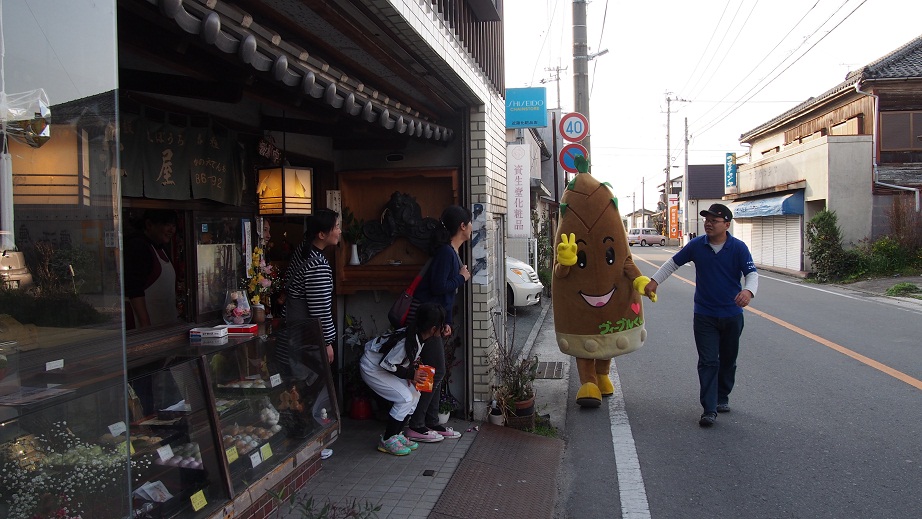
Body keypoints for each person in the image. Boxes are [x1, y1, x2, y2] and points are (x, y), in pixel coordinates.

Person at [643, 203, 759, 428]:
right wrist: (654, 281)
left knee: (728, 360)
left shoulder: (738, 248)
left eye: (714, 220)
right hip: (705, 314)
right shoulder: (697, 245)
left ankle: (722, 396)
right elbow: (672, 264)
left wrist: (748, 291)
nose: (708, 223)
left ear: (726, 224)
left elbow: (751, 273)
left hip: (732, 315)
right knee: (707, 361)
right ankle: (709, 408)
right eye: (706, 219)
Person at [404, 205, 472, 443]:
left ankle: (429, 421)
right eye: (469, 223)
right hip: (426, 322)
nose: (471, 227)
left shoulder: (451, 252)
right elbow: (439, 287)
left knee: (434, 370)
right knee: (434, 371)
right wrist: (461, 277)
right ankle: (418, 423)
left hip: (435, 321)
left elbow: (447, 295)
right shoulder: (446, 253)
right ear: (462, 226)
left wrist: (448, 322)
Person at [360, 302, 446, 455]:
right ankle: (387, 439)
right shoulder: (408, 341)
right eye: (441, 325)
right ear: (433, 329)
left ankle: (397, 435)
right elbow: (387, 363)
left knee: (415, 393)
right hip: (372, 368)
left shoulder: (417, 335)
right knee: (405, 398)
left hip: (382, 366)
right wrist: (410, 374)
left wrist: (410, 372)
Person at [284, 209, 341, 364]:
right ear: (321, 235)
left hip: (293, 336)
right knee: (310, 384)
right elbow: (320, 308)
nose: (339, 231)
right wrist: (327, 342)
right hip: (307, 341)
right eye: (335, 227)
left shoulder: (303, 249)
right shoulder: (318, 265)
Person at [125, 209, 179, 329]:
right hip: (148, 329)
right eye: (166, 224)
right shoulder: (137, 246)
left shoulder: (161, 247)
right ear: (149, 224)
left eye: (173, 225)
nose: (171, 230)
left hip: (166, 324)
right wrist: (146, 327)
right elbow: (135, 290)